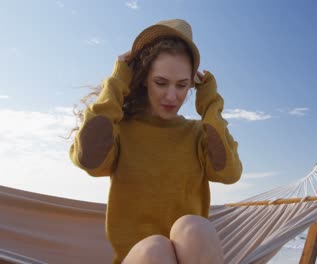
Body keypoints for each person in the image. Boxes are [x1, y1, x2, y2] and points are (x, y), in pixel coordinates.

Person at [69, 19, 242, 264]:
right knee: (156, 249)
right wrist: (117, 81)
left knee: (194, 228)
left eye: (182, 85)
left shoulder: (197, 134)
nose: (172, 96)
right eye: (161, 83)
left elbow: (230, 173)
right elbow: (89, 159)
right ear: (143, 79)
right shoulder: (120, 130)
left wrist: (210, 105)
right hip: (141, 258)